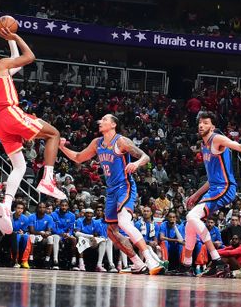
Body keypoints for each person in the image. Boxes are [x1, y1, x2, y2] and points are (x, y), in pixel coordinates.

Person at [0, 30, 64, 237]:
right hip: (11, 112)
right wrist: (17, 38)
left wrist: (11, 41)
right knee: (54, 134)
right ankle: (48, 179)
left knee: (20, 165)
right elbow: (29, 58)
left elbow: (17, 65)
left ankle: (6, 203)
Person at [59, 114, 164, 275]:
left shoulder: (121, 141)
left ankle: (149, 258)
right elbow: (79, 158)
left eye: (105, 120)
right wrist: (61, 147)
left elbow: (145, 156)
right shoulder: (97, 143)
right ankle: (136, 263)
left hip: (125, 186)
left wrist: (136, 163)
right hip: (111, 190)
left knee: (123, 222)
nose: (100, 122)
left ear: (113, 124)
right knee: (111, 231)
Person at [182, 112, 241, 277]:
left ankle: (217, 261)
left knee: (192, 217)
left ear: (213, 126)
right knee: (190, 223)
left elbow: (237, 146)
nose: (201, 125)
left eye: (206, 122)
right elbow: (210, 179)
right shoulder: (203, 145)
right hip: (214, 187)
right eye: (200, 123)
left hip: (225, 187)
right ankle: (187, 267)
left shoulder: (217, 139)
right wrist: (195, 195)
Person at [10, 201, 31, 268]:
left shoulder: (25, 218)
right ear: (15, 208)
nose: (20, 210)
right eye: (18, 208)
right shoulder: (10, 216)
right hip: (10, 235)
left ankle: (24, 261)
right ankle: (14, 259)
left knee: (27, 237)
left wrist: (23, 232)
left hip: (19, 234)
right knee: (17, 237)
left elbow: (24, 230)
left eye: (22, 208)